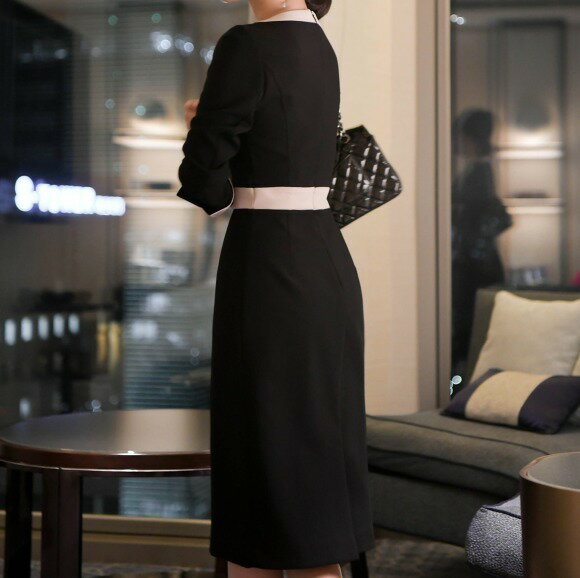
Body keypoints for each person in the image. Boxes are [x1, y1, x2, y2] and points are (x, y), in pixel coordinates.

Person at [176, 1, 376, 577]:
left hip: (268, 266)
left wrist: (202, 128)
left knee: (259, 466)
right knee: (312, 463)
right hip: (324, 264)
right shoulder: (320, 47)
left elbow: (205, 181)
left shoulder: (247, 43)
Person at [451, 108, 512, 380]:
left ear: (469, 138)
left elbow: (481, 218)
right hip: (476, 265)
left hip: (474, 268)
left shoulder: (478, 173)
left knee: (471, 332)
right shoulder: (479, 171)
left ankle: (462, 387)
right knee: (472, 331)